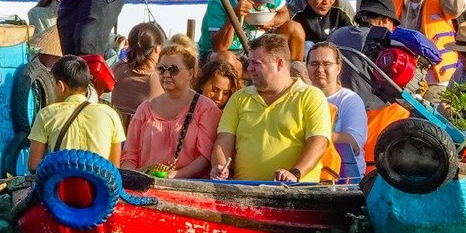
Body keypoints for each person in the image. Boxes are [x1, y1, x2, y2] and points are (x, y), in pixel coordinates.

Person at [212, 33, 332, 183]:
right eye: (249, 63)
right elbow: (224, 140)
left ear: (279, 64)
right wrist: (219, 166)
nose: (249, 69)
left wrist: (295, 173)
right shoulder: (239, 98)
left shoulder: (311, 96)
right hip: (244, 190)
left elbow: (318, 142)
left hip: (296, 191)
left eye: (256, 63)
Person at [122, 43, 220, 179]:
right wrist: (131, 178)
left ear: (190, 73)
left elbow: (205, 157)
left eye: (173, 69)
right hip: (146, 185)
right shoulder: (144, 109)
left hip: (190, 187)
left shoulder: (205, 108)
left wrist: (174, 176)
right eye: (161, 69)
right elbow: (129, 156)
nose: (166, 74)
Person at [27, 55, 126, 169]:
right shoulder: (110, 114)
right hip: (99, 186)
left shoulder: (46, 114)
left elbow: (34, 165)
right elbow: (114, 168)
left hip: (62, 185)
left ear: (61, 86)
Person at [305, 42, 368, 183]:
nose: (320, 69)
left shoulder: (350, 100)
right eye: (314, 64)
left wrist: (316, 138)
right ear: (306, 67)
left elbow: (354, 142)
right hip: (308, 176)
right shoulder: (301, 98)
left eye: (326, 63)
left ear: (338, 68)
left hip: (345, 180)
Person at [110, 21, 164, 121]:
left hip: (116, 133)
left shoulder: (117, 69)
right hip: (143, 135)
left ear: (129, 46)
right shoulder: (158, 79)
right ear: (157, 48)